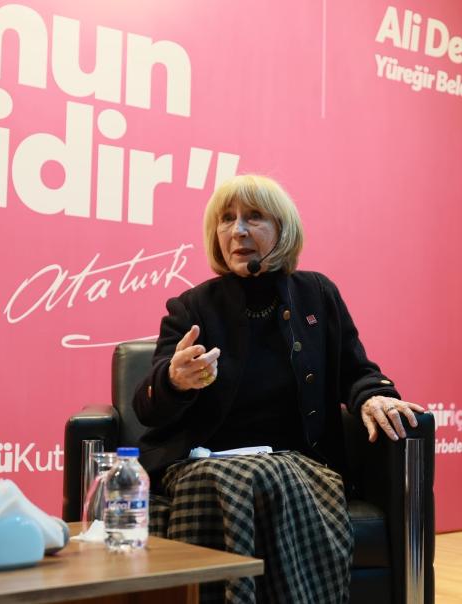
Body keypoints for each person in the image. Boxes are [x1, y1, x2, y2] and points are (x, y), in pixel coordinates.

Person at [133, 174, 424, 603]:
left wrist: (373, 396)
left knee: (260, 477)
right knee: (228, 478)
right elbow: (147, 408)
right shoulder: (192, 307)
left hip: (298, 463)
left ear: (283, 230)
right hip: (205, 464)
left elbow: (357, 370)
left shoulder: (317, 295)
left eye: (254, 217)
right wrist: (175, 381)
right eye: (226, 219)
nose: (238, 230)